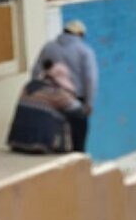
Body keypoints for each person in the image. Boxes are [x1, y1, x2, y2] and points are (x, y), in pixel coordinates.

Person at [33, 20, 98, 152]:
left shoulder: (48, 47)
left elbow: (35, 72)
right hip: (75, 100)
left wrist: (38, 93)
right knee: (78, 141)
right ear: (80, 34)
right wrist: (89, 103)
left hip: (50, 99)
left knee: (56, 139)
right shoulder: (85, 51)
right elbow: (90, 79)